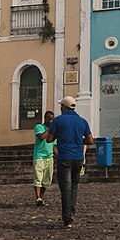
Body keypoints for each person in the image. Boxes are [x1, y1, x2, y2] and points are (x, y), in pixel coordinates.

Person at [45, 96, 93, 229]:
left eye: (61, 106)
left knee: (65, 187)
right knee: (74, 186)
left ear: (64, 107)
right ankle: (71, 210)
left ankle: (67, 219)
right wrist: (78, 140)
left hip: (64, 157)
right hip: (78, 157)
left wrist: (61, 137)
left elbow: (49, 139)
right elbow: (90, 140)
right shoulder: (82, 121)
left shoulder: (58, 121)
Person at [33, 110, 55, 206]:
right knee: (38, 177)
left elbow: (54, 145)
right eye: (49, 119)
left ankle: (41, 197)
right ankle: (37, 197)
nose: (50, 121)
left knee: (46, 179)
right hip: (39, 155)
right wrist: (50, 128)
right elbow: (42, 137)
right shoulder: (39, 127)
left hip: (49, 156)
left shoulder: (53, 132)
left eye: (52, 120)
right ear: (45, 118)